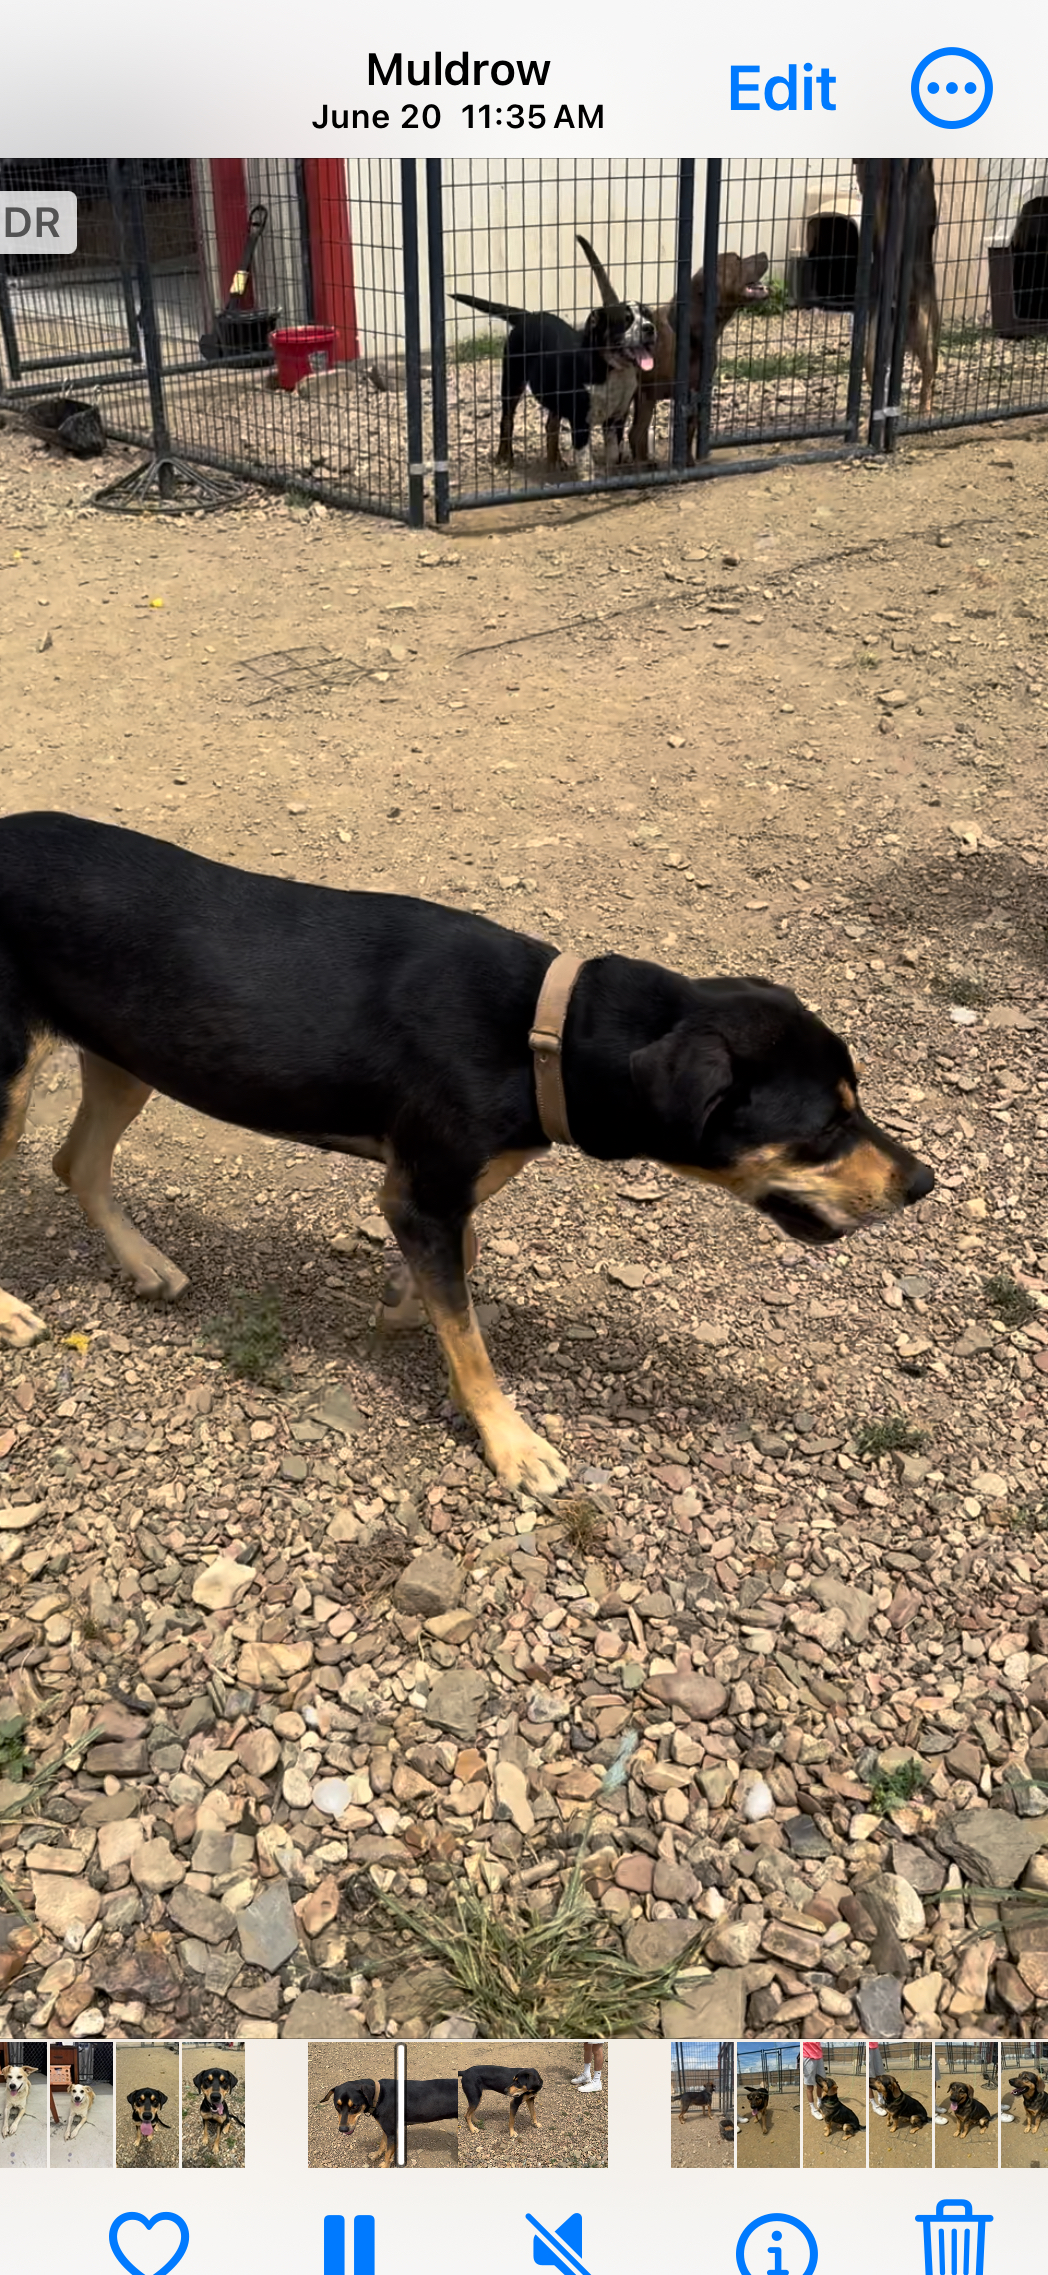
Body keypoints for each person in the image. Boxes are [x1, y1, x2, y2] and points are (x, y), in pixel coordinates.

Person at [803, 2042, 825, 2116]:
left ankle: (819, 2101)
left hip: (819, 2056)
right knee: (810, 2087)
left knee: (820, 2083)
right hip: (807, 2056)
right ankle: (813, 2108)